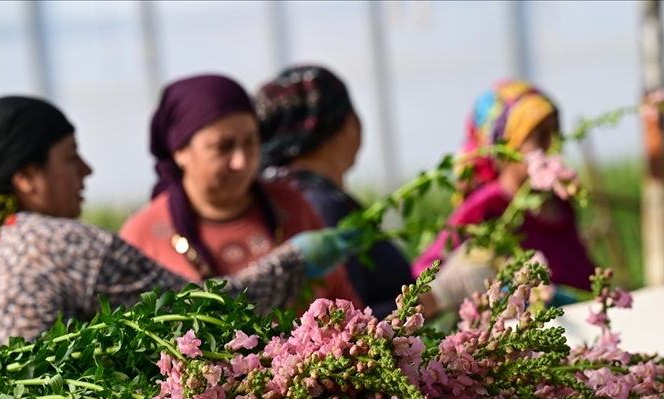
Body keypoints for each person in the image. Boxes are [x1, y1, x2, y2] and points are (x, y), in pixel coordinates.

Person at [0, 95, 356, 364]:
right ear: (27, 177)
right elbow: (198, 311)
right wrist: (296, 262)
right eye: (70, 156)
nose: (86, 170)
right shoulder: (62, 244)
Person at [120, 74, 362, 309]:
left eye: (250, 142)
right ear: (180, 151)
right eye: (223, 147)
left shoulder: (293, 209)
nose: (241, 162)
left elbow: (343, 305)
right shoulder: (143, 237)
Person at [411, 81, 595, 306]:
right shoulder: (486, 207)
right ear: (508, 146)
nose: (554, 146)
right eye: (540, 137)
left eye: (557, 134)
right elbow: (426, 277)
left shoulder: (560, 204)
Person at [255, 65, 415, 320]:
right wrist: (438, 297)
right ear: (346, 126)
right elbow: (343, 324)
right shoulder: (319, 206)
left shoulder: (281, 196)